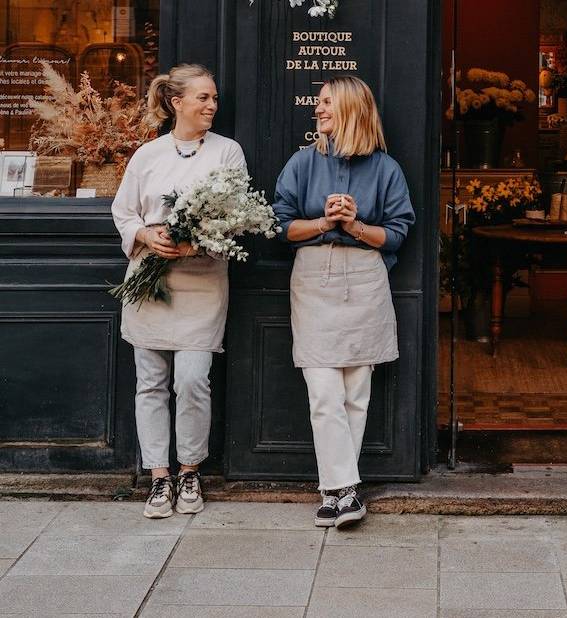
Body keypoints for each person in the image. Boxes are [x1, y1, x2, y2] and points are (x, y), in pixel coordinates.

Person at [273, 75, 415, 528]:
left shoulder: (386, 169)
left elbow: (396, 233)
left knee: (356, 391)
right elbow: (281, 226)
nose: (319, 110)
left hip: (365, 279)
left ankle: (336, 494)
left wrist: (354, 225)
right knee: (324, 391)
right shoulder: (301, 163)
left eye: (327, 103)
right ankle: (346, 489)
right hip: (315, 277)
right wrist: (322, 222)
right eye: (319, 103)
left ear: (352, 108)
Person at [111, 64, 247, 518]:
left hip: (203, 281)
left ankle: (190, 470)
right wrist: (148, 237)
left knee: (192, 380)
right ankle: (159, 478)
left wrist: (194, 242)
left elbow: (237, 214)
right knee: (150, 383)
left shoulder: (228, 152)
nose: (212, 105)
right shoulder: (148, 155)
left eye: (213, 98)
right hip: (150, 281)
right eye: (203, 98)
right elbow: (124, 212)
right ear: (177, 103)